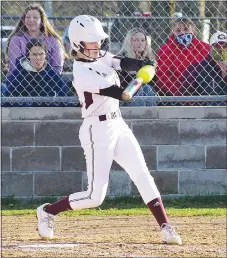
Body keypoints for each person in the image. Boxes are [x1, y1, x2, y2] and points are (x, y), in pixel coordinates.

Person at [36, 15, 182, 245]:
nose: (97, 45)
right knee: (95, 197)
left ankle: (165, 226)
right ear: (77, 44)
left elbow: (122, 62)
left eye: (98, 41)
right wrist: (143, 78)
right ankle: (48, 211)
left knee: (142, 174)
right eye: (91, 42)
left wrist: (144, 65)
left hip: (117, 123)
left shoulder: (101, 55)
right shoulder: (82, 72)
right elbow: (123, 94)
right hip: (97, 130)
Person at [2, 38, 72, 107]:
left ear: (46, 55)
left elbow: (66, 98)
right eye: (34, 54)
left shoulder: (52, 74)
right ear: (28, 55)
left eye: (41, 54)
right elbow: (10, 101)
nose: (38, 58)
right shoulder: (17, 75)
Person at [155, 17, 210, 97]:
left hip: (203, 91)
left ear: (193, 30)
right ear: (173, 32)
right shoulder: (165, 50)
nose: (183, 33)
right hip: (175, 94)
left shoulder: (205, 48)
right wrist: (178, 93)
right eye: (178, 30)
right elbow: (162, 75)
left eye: (186, 29)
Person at [6, 3, 65, 74]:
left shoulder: (54, 40)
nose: (31, 20)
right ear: (23, 20)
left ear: (42, 21)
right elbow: (14, 68)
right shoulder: (16, 40)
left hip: (48, 81)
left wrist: (43, 79)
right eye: (28, 17)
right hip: (22, 80)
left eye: (35, 17)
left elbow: (57, 68)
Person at [181, 31, 227, 106]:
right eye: (217, 46)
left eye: (225, 47)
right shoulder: (196, 69)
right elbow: (186, 96)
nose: (221, 50)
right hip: (204, 112)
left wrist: (225, 76)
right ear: (210, 48)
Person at [118, 28, 157, 106]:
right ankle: (140, 115)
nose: (140, 43)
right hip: (125, 95)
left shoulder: (148, 58)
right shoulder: (122, 58)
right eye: (136, 40)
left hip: (143, 93)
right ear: (129, 41)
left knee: (147, 88)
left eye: (143, 40)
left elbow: (153, 83)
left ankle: (151, 115)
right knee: (139, 89)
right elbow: (121, 83)